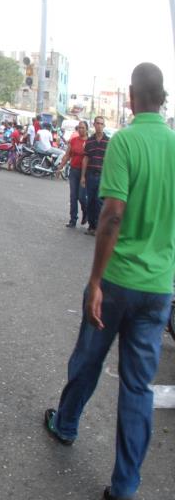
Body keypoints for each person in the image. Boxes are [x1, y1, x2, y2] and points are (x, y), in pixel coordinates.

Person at [44, 63, 175, 500]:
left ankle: (65, 424)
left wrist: (96, 280)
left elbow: (112, 214)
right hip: (158, 289)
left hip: (117, 281)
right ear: (163, 98)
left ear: (132, 97)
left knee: (89, 358)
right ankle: (125, 486)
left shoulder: (126, 142)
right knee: (138, 387)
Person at [83, 116, 110, 235]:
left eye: (101, 124)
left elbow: (111, 161)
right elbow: (86, 158)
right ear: (94, 125)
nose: (99, 125)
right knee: (90, 201)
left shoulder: (108, 141)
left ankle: (98, 227)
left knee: (99, 202)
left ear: (104, 126)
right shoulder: (89, 141)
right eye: (97, 123)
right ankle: (91, 226)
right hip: (90, 175)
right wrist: (83, 176)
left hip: (102, 176)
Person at [58, 120, 89, 228]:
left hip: (84, 173)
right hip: (74, 171)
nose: (80, 130)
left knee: (81, 196)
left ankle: (86, 212)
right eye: (79, 127)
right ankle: (73, 219)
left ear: (87, 129)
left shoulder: (89, 142)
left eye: (83, 128)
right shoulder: (74, 140)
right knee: (73, 196)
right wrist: (60, 167)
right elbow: (67, 155)